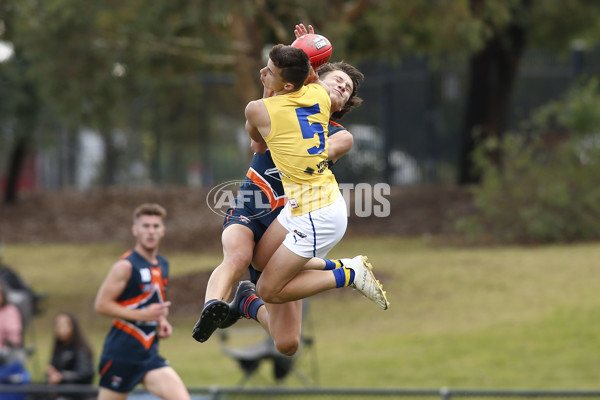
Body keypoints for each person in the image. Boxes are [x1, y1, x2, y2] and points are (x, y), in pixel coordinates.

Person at [192, 25, 368, 346]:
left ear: (340, 108)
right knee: (238, 257)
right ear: (312, 79)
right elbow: (258, 145)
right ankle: (211, 307)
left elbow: (333, 146)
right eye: (337, 80)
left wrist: (316, 147)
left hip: (291, 225)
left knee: (287, 343)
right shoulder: (279, 103)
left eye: (347, 89)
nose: (342, 86)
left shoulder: (336, 132)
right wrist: (299, 52)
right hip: (254, 206)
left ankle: (246, 302)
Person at [94, 204, 190, 400]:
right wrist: (143, 316)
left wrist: (161, 321)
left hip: (148, 355)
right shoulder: (125, 265)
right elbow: (101, 305)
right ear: (135, 230)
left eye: (156, 226)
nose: (151, 231)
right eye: (145, 226)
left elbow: (152, 301)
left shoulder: (163, 264)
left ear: (163, 230)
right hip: (121, 354)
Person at [45, 312, 94, 399]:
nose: (59, 328)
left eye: (63, 324)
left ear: (72, 327)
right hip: (60, 391)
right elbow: (52, 369)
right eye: (57, 325)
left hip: (77, 393)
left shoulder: (80, 348)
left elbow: (85, 374)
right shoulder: (58, 348)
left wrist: (61, 377)